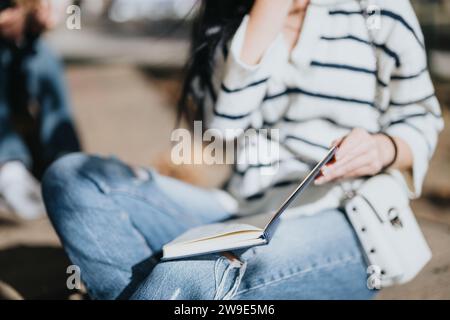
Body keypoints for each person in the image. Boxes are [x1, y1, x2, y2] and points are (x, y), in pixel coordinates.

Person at [42, 0, 443, 300]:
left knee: (190, 281)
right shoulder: (232, 18)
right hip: (241, 212)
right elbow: (221, 133)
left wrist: (384, 148)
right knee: (72, 180)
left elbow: (422, 118)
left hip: (341, 214)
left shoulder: (379, 11)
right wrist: (266, 15)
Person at [0, 0, 81, 220]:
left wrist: (36, 19)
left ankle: (67, 165)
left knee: (45, 60)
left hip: (21, 44)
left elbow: (55, 11)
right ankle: (9, 168)